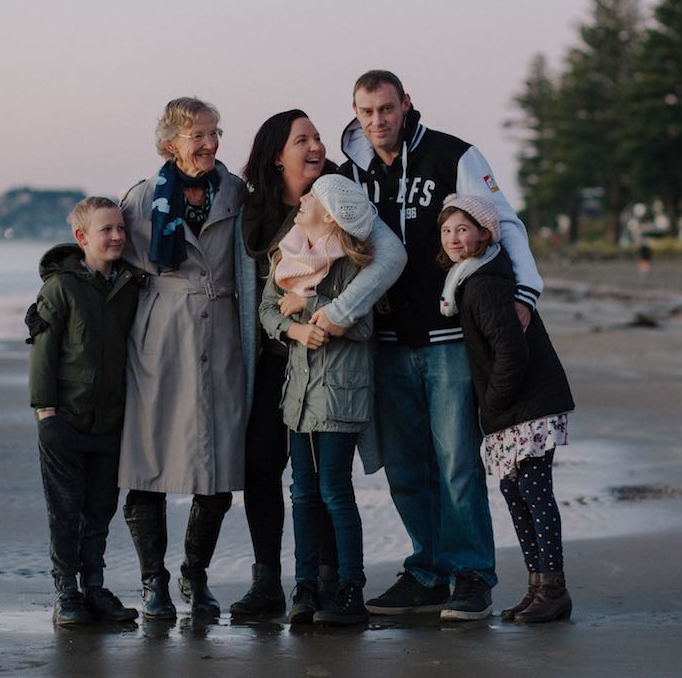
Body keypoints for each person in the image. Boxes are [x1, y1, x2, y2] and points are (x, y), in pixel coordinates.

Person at [336, 69, 543, 620]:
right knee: (405, 465)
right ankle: (428, 571)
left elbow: (506, 224)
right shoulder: (350, 172)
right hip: (383, 339)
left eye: (386, 108)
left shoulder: (454, 155)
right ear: (355, 113)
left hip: (449, 336)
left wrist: (525, 292)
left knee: (456, 463)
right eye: (366, 111)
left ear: (405, 105)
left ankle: (472, 573)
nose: (377, 121)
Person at [231, 110, 406, 617]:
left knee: (327, 482)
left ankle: (334, 580)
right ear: (275, 154)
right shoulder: (254, 214)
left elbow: (386, 261)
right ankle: (272, 581)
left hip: (332, 371)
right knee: (267, 467)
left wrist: (323, 315)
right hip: (275, 362)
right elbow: (262, 299)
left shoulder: (344, 202)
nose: (315, 146)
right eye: (301, 139)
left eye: (317, 138)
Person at [119, 97, 248, 620]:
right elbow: (109, 267)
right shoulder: (142, 198)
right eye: (199, 135)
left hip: (221, 332)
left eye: (215, 133)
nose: (211, 144)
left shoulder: (236, 192)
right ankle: (154, 581)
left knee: (216, 470)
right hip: (159, 337)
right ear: (171, 142)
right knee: (147, 464)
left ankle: (196, 575)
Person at [438, 194, 575, 623]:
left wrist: (492, 405)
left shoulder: (484, 283)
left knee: (535, 495)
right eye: (446, 230)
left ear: (484, 234)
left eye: (463, 229)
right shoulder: (468, 279)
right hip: (514, 408)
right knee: (516, 494)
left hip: (527, 406)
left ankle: (554, 589)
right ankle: (537, 587)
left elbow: (511, 352)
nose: (454, 238)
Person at [258, 175, 387, 626]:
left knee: (334, 491)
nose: (302, 201)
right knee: (302, 493)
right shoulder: (289, 257)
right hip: (298, 397)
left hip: (338, 398)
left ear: (329, 215)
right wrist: (293, 326)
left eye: (311, 198)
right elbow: (268, 310)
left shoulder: (355, 265)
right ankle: (305, 586)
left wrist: (322, 314)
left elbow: (367, 327)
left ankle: (351, 586)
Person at [26, 196, 143, 626]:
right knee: (65, 510)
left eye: (120, 229)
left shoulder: (129, 285)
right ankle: (67, 593)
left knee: (100, 509)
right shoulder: (61, 288)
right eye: (106, 230)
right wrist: (46, 412)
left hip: (111, 422)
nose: (116, 236)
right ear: (82, 238)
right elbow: (43, 350)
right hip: (64, 421)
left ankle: (94, 587)